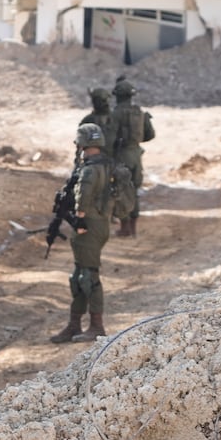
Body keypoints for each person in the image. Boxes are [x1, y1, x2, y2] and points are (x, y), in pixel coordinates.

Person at [49, 123, 112, 344]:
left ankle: (96, 326)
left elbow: (83, 198)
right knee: (79, 276)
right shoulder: (104, 164)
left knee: (90, 276)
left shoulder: (88, 169)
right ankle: (74, 324)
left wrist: (80, 219)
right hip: (98, 225)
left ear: (83, 142)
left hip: (89, 226)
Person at [110, 78, 155, 238]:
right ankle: (133, 229)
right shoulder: (139, 112)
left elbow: (110, 137)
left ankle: (125, 228)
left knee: (121, 191)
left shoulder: (115, 114)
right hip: (136, 155)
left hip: (121, 156)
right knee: (134, 190)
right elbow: (150, 135)